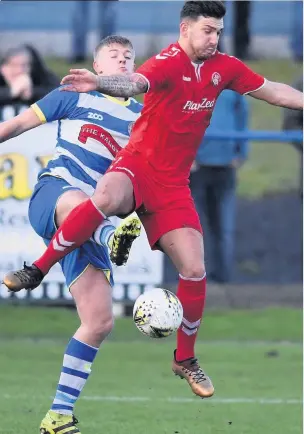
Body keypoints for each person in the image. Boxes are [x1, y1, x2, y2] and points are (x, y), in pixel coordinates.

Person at [3, 0, 303, 406]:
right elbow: (133, 83)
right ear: (185, 30)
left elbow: (274, 91)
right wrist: (97, 83)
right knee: (102, 197)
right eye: (207, 31)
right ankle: (40, 267)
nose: (214, 39)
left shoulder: (223, 69)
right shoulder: (160, 64)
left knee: (187, 273)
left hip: (171, 186)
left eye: (218, 31)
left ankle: (182, 359)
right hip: (110, 176)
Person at [1, 35, 142, 434]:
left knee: (98, 322)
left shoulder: (142, 116)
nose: (123, 60)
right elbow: (14, 126)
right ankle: (111, 236)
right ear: (97, 67)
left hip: (92, 225)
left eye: (129, 57)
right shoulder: (74, 96)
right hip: (56, 197)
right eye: (113, 56)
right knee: (84, 202)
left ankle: (58, 416)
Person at [190, 90, 249, 283]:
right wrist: (187, 155)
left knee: (222, 225)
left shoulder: (233, 84)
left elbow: (242, 116)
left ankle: (222, 277)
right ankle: (197, 274)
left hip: (224, 166)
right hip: (198, 166)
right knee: (195, 225)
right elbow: (179, 118)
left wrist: (241, 152)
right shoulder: (189, 80)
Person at [0, 45, 59, 121]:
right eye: (13, 65)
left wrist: (32, 93)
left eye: (24, 65)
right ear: (3, 68)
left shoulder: (41, 76)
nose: (19, 70)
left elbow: (60, 94)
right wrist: (10, 92)